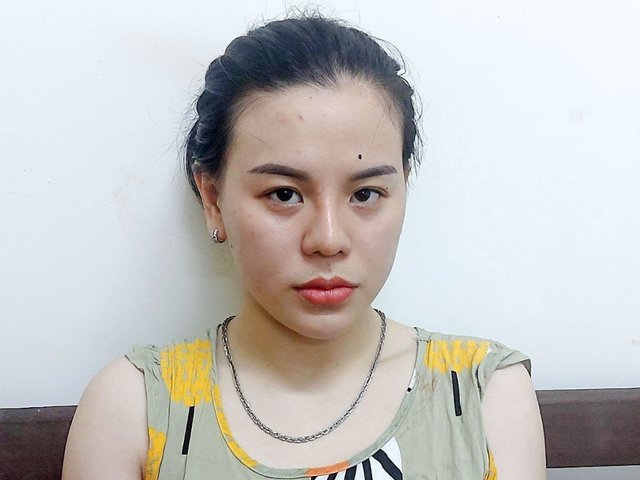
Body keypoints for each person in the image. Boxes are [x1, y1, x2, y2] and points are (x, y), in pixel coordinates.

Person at [62, 14, 546, 480]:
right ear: (213, 199)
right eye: (283, 194)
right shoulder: (134, 408)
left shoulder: (483, 395)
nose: (328, 240)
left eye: (366, 194)